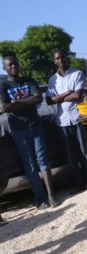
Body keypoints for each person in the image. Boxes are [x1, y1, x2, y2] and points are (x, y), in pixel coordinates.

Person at [0, 56, 60, 209]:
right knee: (30, 165)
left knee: (43, 160)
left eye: (15, 63)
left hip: (36, 125)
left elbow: (39, 98)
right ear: (4, 68)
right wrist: (28, 100)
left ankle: (51, 196)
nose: (13, 66)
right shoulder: (3, 85)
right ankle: (40, 199)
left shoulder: (29, 81)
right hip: (18, 129)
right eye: (10, 65)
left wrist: (16, 102)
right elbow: (5, 108)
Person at [46, 50, 87, 194]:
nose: (61, 60)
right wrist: (67, 93)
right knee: (70, 155)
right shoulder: (52, 80)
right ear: (54, 61)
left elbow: (77, 95)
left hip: (77, 117)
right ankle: (78, 185)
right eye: (57, 58)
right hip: (63, 121)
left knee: (84, 151)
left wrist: (59, 97)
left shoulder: (77, 74)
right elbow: (49, 101)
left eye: (63, 57)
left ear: (67, 58)